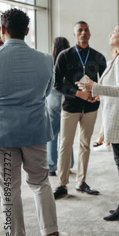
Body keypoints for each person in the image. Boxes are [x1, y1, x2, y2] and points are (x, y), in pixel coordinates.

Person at [0, 9, 69, 236]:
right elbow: (47, 93)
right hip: (35, 130)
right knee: (40, 182)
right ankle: (51, 235)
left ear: (2, 29)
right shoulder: (45, 59)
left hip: (2, 132)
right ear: (27, 31)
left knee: (9, 187)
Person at [77, 23, 119, 220]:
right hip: (117, 114)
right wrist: (98, 93)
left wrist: (94, 86)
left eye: (114, 32)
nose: (110, 34)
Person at [53, 21, 106, 199]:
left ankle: (81, 182)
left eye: (86, 30)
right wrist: (77, 94)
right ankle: (62, 184)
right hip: (70, 106)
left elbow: (105, 83)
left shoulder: (98, 57)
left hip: (91, 107)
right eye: (80, 30)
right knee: (65, 144)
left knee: (85, 144)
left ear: (89, 33)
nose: (83, 33)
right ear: (74, 34)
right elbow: (57, 84)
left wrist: (98, 94)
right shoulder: (64, 56)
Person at [46, 37, 75, 176]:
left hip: (52, 100)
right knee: (66, 135)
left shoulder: (50, 62)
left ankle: (51, 167)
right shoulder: (71, 61)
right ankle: (67, 165)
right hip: (67, 99)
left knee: (52, 135)